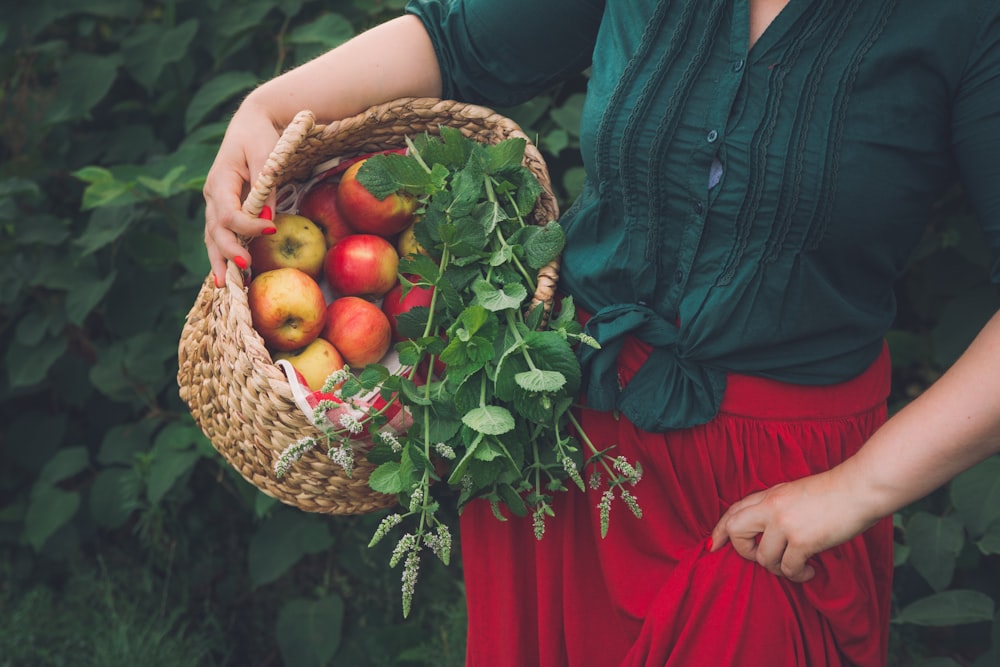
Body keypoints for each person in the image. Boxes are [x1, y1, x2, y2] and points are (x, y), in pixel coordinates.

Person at [202, 1, 1000, 665]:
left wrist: (861, 487)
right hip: (566, 439)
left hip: (776, 505)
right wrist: (267, 106)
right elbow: (456, 42)